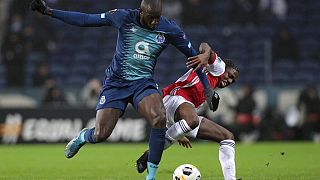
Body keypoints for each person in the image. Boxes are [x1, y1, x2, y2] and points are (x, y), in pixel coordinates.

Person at [30, 0, 218, 179]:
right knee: (101, 134)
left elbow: (196, 60)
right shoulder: (123, 17)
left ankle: (150, 177)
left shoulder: (169, 28)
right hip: (115, 84)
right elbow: (87, 20)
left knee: (159, 119)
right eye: (150, 17)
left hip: (143, 84)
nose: (154, 22)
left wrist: (208, 89)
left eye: (157, 18)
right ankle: (82, 137)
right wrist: (49, 11)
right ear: (141, 12)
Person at [136, 43, 240, 180]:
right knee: (192, 120)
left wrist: (180, 133)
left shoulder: (209, 88)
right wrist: (204, 55)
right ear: (224, 68)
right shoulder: (219, 67)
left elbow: (183, 117)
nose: (230, 80)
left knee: (227, 137)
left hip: (181, 109)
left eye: (232, 80)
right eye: (230, 75)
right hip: (174, 97)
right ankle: (151, 155)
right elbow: (205, 46)